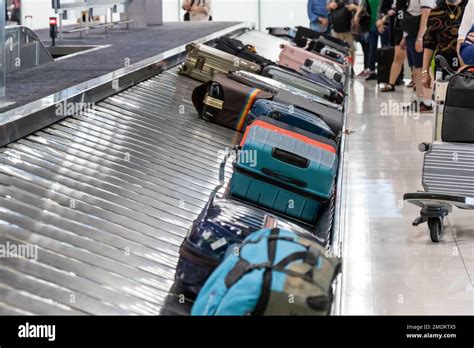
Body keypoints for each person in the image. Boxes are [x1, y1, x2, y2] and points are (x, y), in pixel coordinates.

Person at [422, 0, 467, 89]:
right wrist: (425, 72)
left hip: (467, 64)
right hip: (442, 65)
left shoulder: (469, 8)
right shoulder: (435, 12)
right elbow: (429, 44)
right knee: (442, 99)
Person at [399, 0, 435, 112]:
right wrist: (405, 37)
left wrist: (420, 38)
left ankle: (428, 101)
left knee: (424, 68)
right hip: (411, 33)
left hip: (418, 34)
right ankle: (420, 100)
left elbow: (426, 14)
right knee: (416, 69)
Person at [380, 0, 410, 91]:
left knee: (414, 62)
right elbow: (383, 8)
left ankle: (417, 84)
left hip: (409, 26)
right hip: (397, 27)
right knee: (398, 57)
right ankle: (391, 83)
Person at [327, 0, 359, 64]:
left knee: (351, 51)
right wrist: (330, 5)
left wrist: (354, 7)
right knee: (336, 50)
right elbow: (327, 7)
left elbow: (361, 8)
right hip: (336, 28)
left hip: (349, 29)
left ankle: (351, 69)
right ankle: (340, 68)